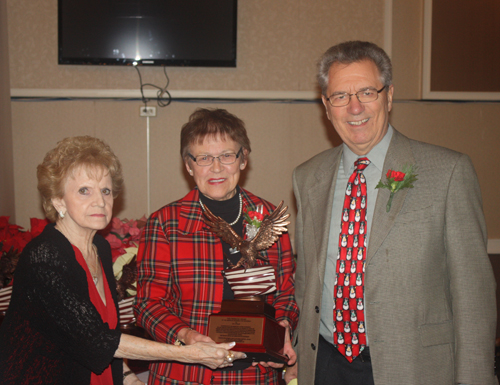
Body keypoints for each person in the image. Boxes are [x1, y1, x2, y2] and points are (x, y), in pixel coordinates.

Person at [289, 41, 497, 385]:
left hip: (414, 367)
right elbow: (306, 279)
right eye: (340, 96)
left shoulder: (447, 172)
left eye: (367, 92)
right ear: (327, 107)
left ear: (388, 96)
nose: (354, 107)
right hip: (325, 364)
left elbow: (473, 296)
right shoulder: (308, 176)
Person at [0, 136, 244, 385]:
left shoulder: (99, 248)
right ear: (58, 200)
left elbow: (107, 332)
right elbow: (97, 341)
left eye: (105, 191)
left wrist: (130, 378)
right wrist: (187, 354)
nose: (100, 201)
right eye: (84, 191)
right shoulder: (45, 256)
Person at [135, 108, 299, 385]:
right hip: (185, 374)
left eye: (226, 155)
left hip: (255, 375)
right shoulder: (165, 224)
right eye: (204, 158)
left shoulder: (269, 217)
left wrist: (281, 329)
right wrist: (187, 336)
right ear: (188, 165)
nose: (216, 167)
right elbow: (148, 304)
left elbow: (285, 293)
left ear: (243, 159)